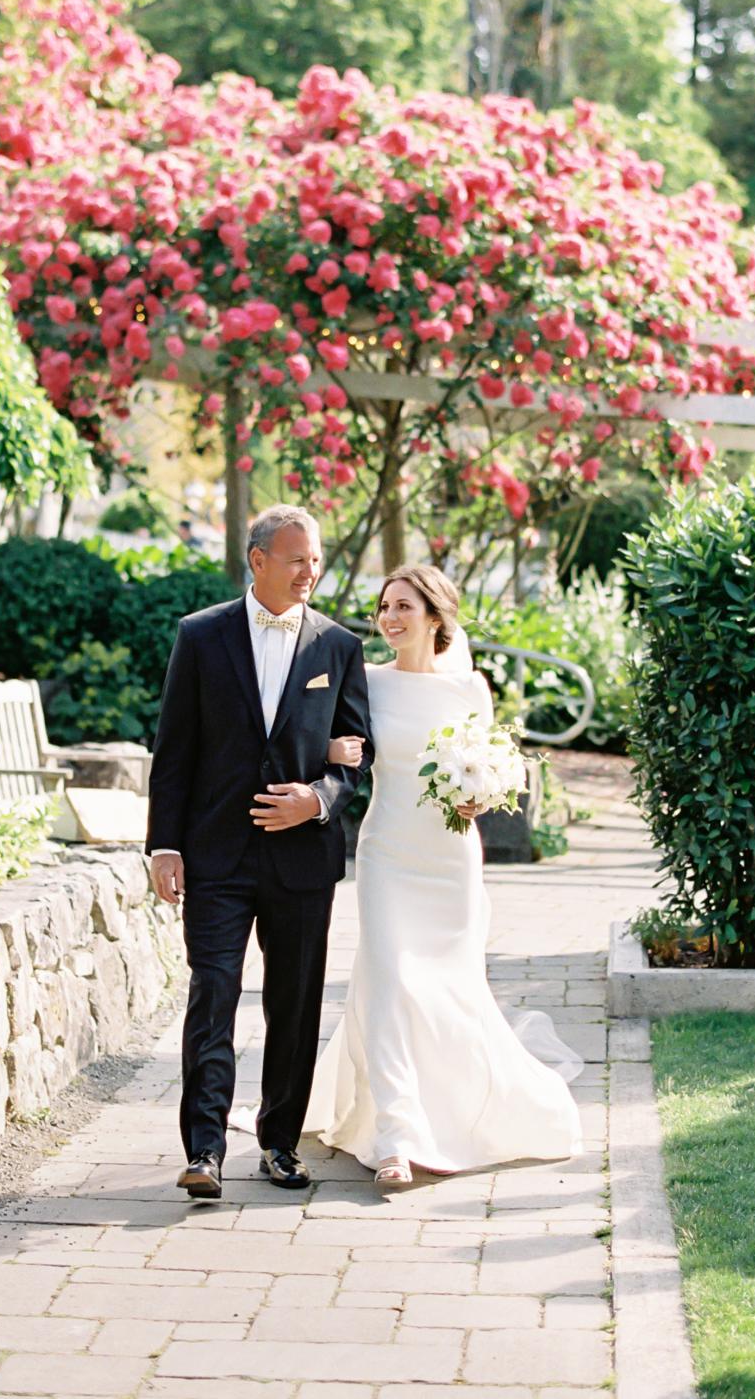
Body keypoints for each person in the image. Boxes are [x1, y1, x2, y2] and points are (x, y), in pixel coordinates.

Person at [308, 564, 582, 1189]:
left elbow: (491, 765)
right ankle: (397, 1137)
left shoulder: (471, 689)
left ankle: (454, 1110)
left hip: (450, 858)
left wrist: (481, 796)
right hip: (386, 852)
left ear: (435, 616)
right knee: (391, 980)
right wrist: (330, 753)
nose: (390, 618)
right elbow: (330, 741)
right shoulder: (367, 681)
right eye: (384, 607)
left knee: (444, 988)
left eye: (404, 606)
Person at [147, 504, 373, 1198]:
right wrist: (163, 843)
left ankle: (279, 1142)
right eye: (298, 558)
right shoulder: (201, 635)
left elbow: (357, 753)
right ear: (258, 560)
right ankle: (204, 1149)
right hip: (215, 854)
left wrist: (319, 796)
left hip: (302, 859)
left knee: (294, 1001)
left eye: (316, 558)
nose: (312, 571)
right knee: (212, 993)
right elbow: (174, 746)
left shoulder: (339, 647)